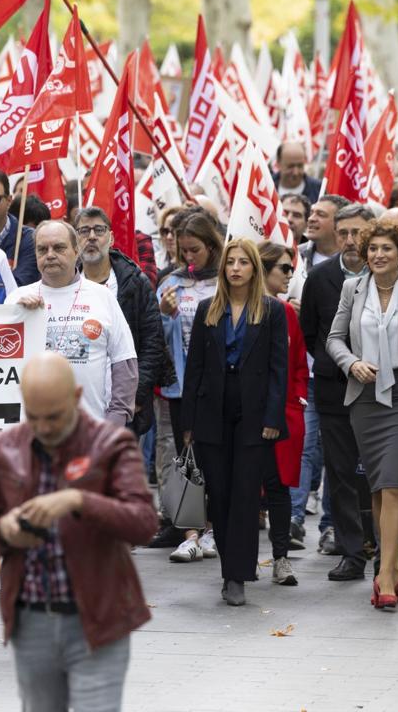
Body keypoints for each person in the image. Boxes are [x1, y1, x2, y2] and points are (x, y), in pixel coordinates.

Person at [0, 352, 158, 712]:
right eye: (33, 416)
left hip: (99, 616)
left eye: (53, 417)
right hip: (31, 619)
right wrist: (5, 530)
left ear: (75, 397)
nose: (43, 427)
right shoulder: (4, 447)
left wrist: (78, 500)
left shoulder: (111, 443)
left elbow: (144, 523)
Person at [327, 219, 398, 610]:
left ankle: (386, 575)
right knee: (376, 489)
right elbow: (334, 338)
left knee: (395, 486)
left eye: (387, 248)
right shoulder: (352, 288)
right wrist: (351, 363)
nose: (378, 255)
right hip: (365, 401)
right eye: (373, 249)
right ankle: (395, 570)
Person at [181, 239, 288, 605]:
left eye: (244, 262)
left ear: (255, 269)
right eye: (231, 262)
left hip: (254, 415)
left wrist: (273, 416)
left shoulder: (272, 311)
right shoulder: (206, 309)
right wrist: (189, 422)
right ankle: (232, 564)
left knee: (245, 495)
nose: (236, 268)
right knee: (221, 495)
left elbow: (278, 370)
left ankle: (237, 575)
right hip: (213, 412)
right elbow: (193, 367)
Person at [300, 204, 375, 581]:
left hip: (382, 392)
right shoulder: (320, 277)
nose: (349, 240)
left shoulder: (390, 275)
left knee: (379, 475)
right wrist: (337, 364)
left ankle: (378, 544)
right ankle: (351, 552)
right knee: (342, 474)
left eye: (358, 233)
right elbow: (309, 332)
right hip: (334, 393)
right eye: (343, 232)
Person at [6, 220, 138, 428]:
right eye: (42, 249)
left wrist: (116, 419)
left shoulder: (102, 296)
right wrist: (15, 319)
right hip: (30, 433)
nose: (50, 255)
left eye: (59, 247)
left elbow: (125, 362)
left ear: (76, 251)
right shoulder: (17, 298)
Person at [150, 211, 225, 556]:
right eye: (184, 252)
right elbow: (159, 338)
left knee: (213, 458)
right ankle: (190, 532)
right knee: (185, 459)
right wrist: (165, 316)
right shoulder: (170, 282)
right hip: (181, 386)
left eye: (195, 250)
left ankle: (213, 528)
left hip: (219, 383)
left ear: (211, 245)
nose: (189, 258)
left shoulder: (226, 280)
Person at [75, 206, 170, 437]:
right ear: (75, 239)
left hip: (123, 409)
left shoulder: (135, 282)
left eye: (99, 229)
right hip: (77, 406)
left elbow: (152, 341)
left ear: (111, 237)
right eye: (84, 230)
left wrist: (135, 397)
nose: (92, 237)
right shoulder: (65, 285)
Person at [258, 241, 308, 586]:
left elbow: (299, 365)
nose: (291, 275)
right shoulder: (228, 309)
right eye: (285, 269)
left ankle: (280, 558)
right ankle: (239, 558)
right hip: (243, 416)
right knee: (242, 488)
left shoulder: (287, 312)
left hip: (281, 416)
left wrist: (297, 401)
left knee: (278, 488)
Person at [288, 194, 350, 305]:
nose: (311, 219)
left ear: (340, 223)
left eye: (321, 215)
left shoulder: (351, 263)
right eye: (311, 213)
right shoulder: (293, 255)